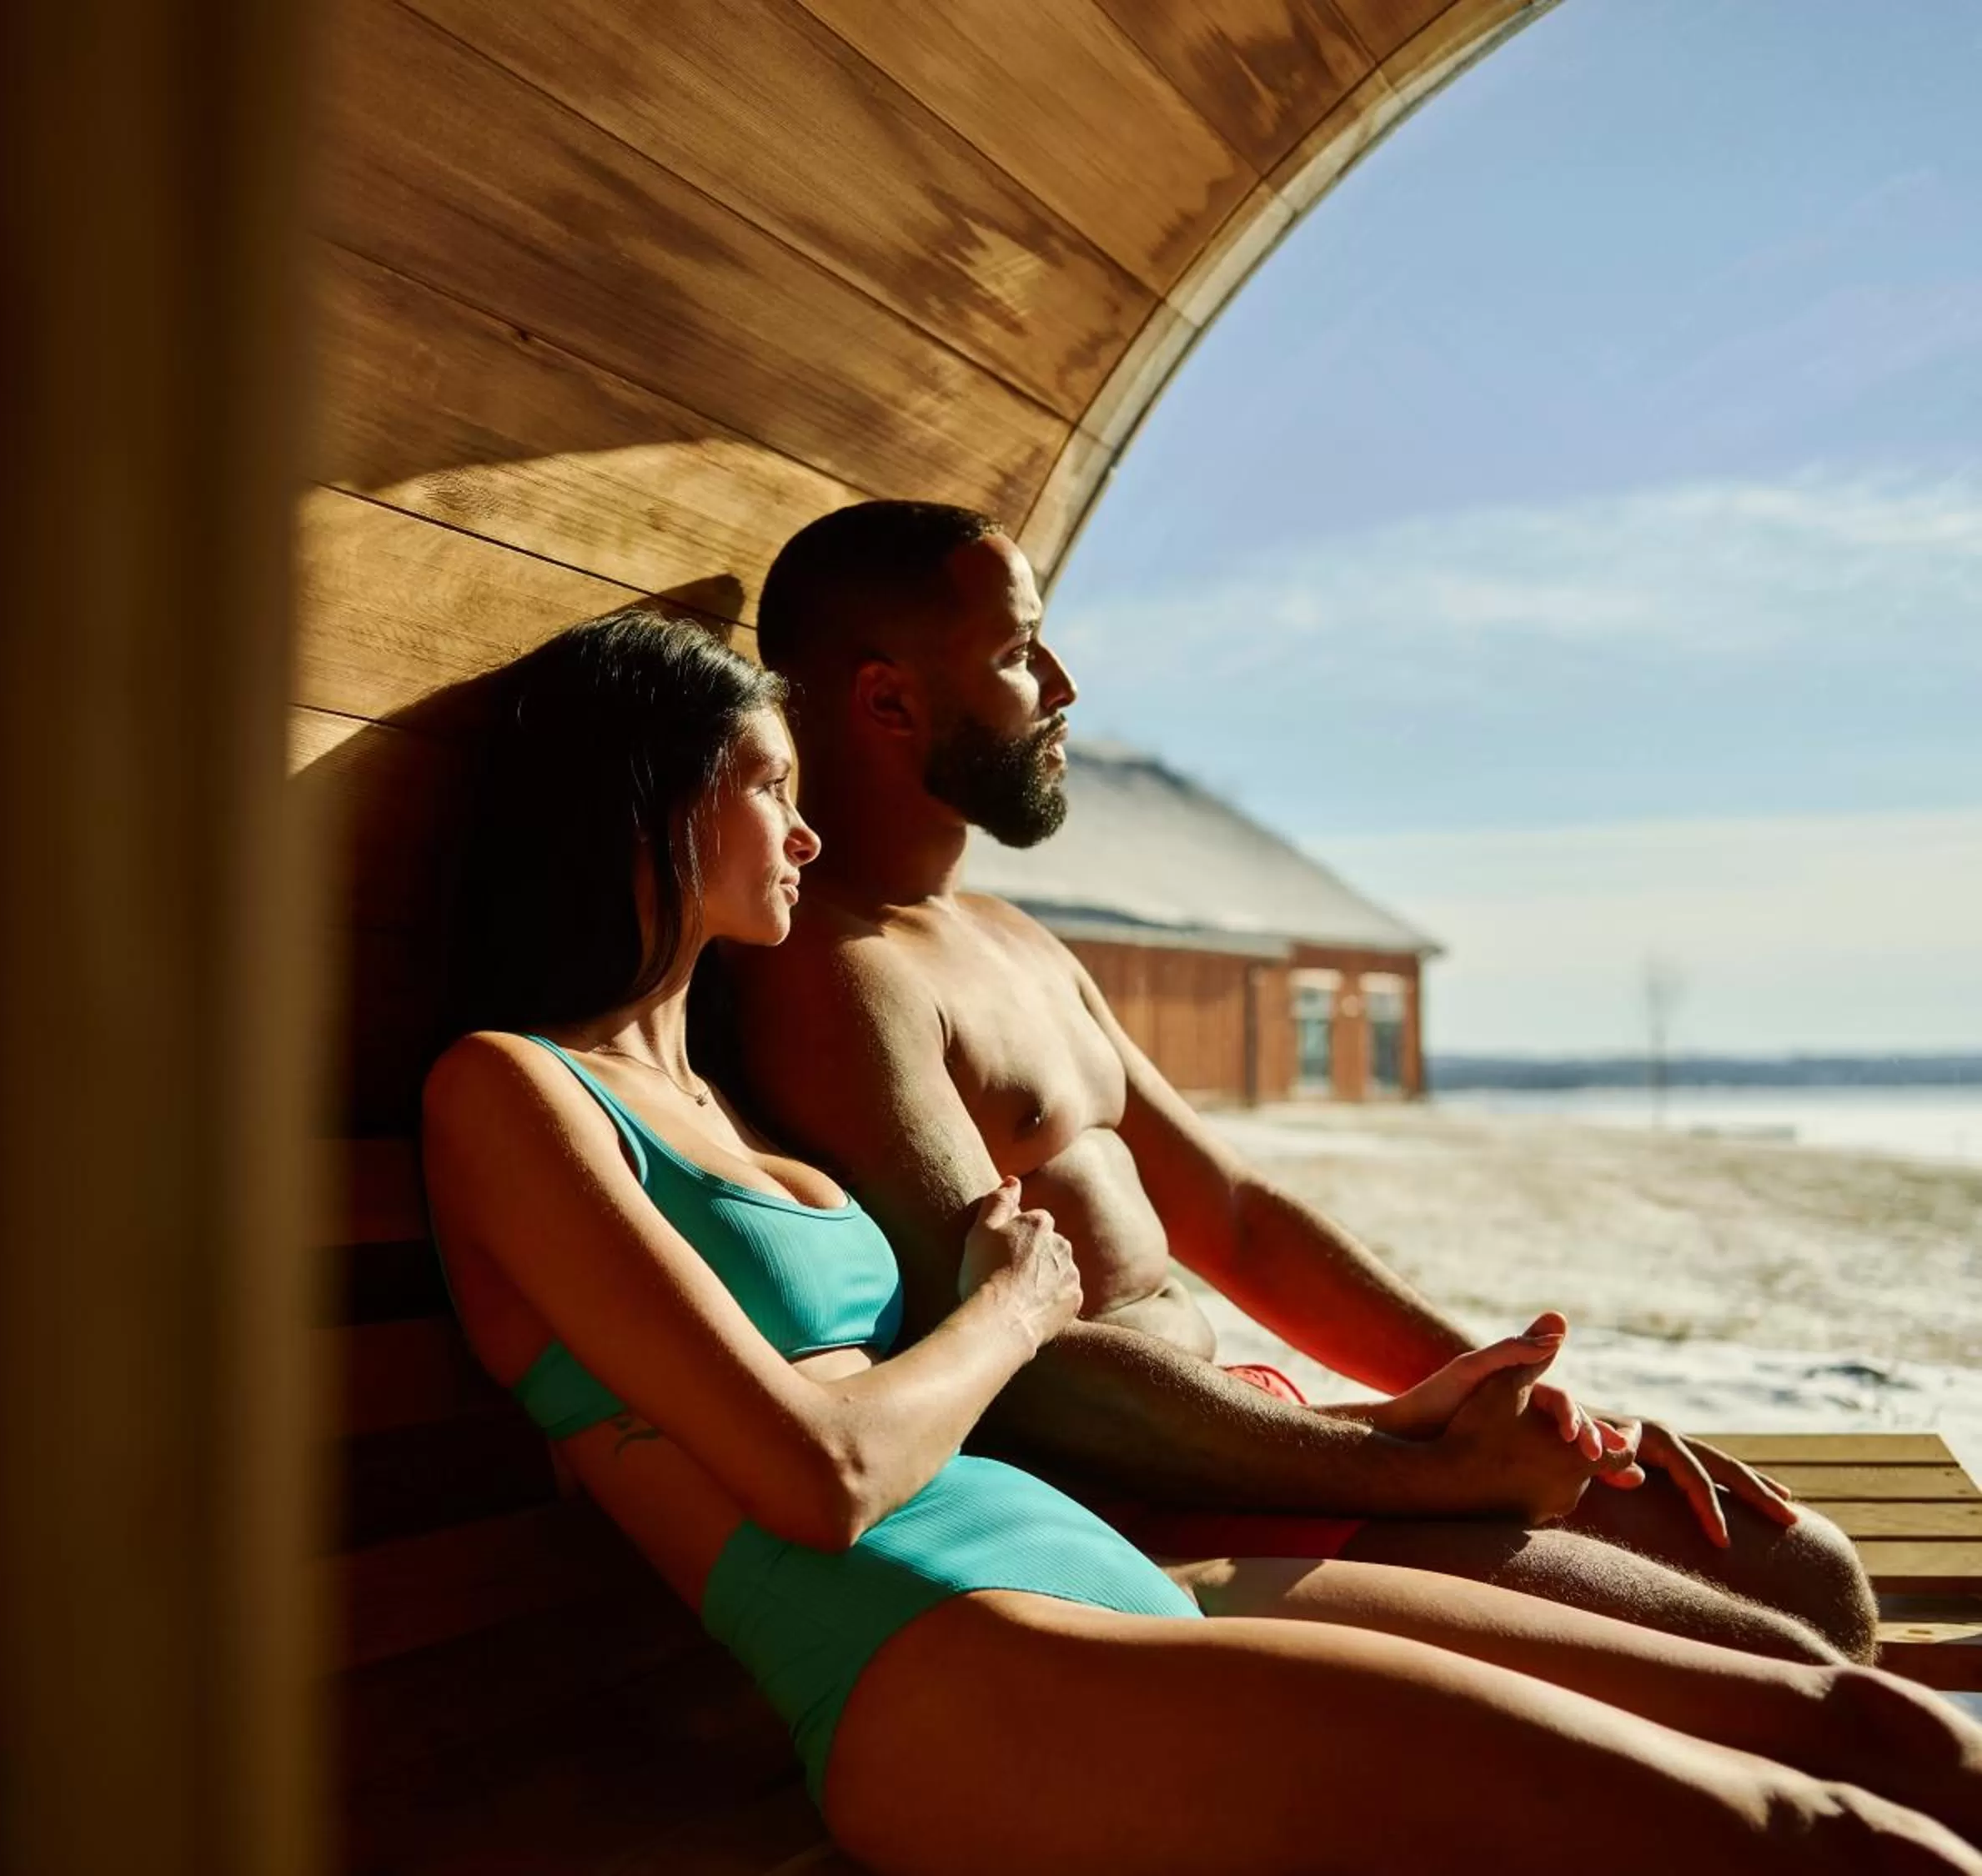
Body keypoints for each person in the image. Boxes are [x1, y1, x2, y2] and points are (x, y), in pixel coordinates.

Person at [420, 608, 1982, 1875]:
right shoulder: (508, 1089)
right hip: (954, 1663)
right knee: (1809, 1837)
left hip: (1102, 1573)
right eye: (768, 784)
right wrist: (1015, 1309)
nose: (807, 833)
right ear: (652, 798)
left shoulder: (713, 1092)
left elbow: (1198, 1233)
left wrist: (1410, 1407)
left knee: (1859, 1730)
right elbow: (814, 1478)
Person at [725, 500, 1882, 1667]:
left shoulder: (1010, 939)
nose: (1067, 686)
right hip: (1137, 1510)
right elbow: (1030, 1376)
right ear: (887, 700)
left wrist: (1511, 1396)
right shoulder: (834, 974)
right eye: (1021, 654)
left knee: (1809, 1573)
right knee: (1783, 1652)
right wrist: (1423, 1472)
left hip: (1253, 1429)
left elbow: (1233, 1214)